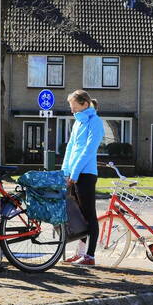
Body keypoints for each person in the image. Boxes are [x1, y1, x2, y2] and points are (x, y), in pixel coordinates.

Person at [61, 89, 104, 266]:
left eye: (74, 107)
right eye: (71, 107)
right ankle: (79, 253)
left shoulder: (95, 122)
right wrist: (65, 171)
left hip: (85, 175)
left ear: (85, 104)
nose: (72, 110)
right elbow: (70, 147)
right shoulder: (77, 123)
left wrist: (75, 172)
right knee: (78, 217)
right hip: (73, 174)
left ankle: (90, 256)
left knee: (89, 215)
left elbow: (89, 150)